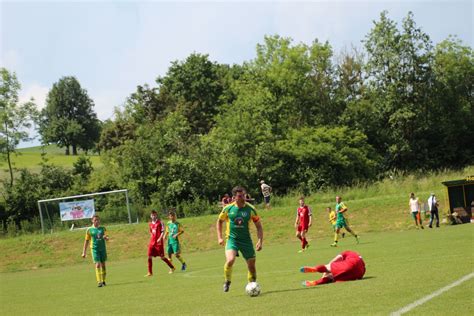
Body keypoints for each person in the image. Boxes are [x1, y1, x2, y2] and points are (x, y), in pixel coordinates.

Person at [216, 185, 263, 292]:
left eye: (243, 195)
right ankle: (227, 281)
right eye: (240, 196)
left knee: (251, 265)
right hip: (232, 240)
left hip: (246, 241)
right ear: (234, 197)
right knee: (230, 260)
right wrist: (219, 237)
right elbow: (219, 221)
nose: (243, 198)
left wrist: (260, 240)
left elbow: (259, 226)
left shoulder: (251, 209)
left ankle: (252, 285)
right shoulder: (228, 209)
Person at [300, 250, 366, 286]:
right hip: (359, 273)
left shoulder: (346, 252)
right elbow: (363, 269)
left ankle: (315, 269)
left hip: (351, 264)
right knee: (333, 277)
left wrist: (325, 272)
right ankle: (316, 282)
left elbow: (332, 262)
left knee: (328, 267)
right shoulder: (358, 258)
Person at [81, 215, 109, 287]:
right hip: (94, 249)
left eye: (98, 220)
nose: (97, 221)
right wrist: (84, 252)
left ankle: (103, 281)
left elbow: (107, 237)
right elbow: (86, 241)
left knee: (103, 265)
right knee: (97, 264)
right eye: (95, 220)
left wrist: (106, 238)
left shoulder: (103, 228)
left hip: (102, 249)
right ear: (92, 220)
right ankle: (99, 282)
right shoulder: (89, 230)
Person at [146, 210, 176, 276]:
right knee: (149, 256)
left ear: (156, 215)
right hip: (152, 242)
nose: (153, 216)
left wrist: (160, 238)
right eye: (152, 215)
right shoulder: (150, 224)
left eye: (154, 215)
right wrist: (152, 238)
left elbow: (163, 231)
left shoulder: (160, 222)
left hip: (159, 243)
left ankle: (172, 267)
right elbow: (151, 232)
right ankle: (150, 272)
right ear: (151, 216)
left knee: (162, 257)